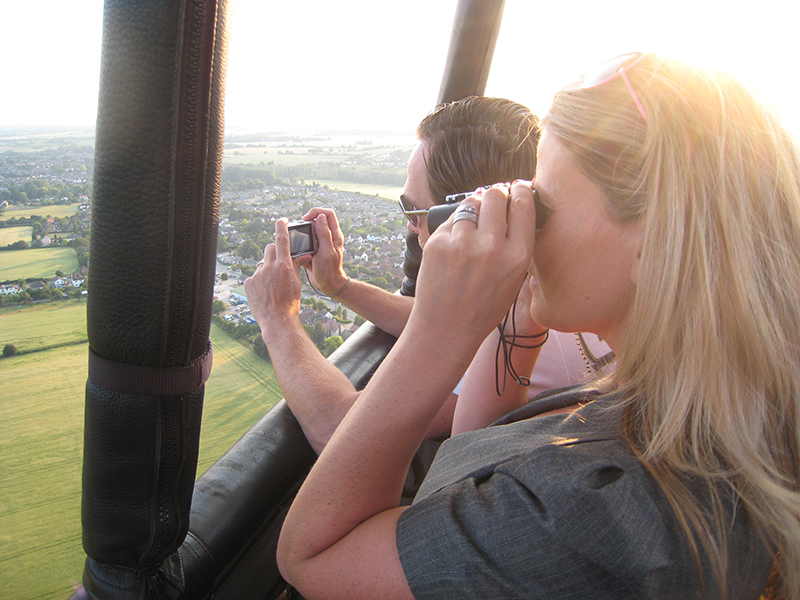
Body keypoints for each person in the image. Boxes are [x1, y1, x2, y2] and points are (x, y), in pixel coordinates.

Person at [274, 52, 800, 599]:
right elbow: (473, 455)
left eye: (539, 204)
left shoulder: (593, 512)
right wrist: (513, 316)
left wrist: (428, 333)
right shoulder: (699, 403)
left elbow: (314, 556)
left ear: (659, 241)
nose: (524, 225)